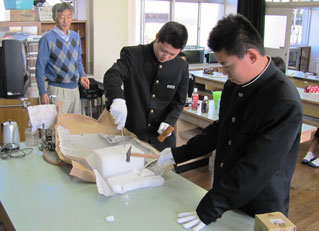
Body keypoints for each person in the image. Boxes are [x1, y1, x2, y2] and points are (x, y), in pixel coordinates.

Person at [158, 14, 303, 230]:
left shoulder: (283, 101)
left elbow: (256, 168)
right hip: (226, 197)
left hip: (259, 207)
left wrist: (210, 207)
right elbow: (220, 130)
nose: (224, 73)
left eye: (227, 66)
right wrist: (178, 154)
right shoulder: (235, 85)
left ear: (252, 56)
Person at [103, 21, 189, 151]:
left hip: (162, 139)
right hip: (133, 135)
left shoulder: (181, 66)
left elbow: (180, 101)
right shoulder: (133, 54)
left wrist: (170, 121)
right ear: (157, 37)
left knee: (166, 171)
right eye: (163, 50)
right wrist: (117, 98)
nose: (165, 57)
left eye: (172, 54)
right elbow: (113, 74)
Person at [36, 2, 90, 114]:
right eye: (62, 17)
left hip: (75, 89)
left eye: (69, 17)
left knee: (74, 127)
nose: (66, 21)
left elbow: (78, 61)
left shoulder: (75, 37)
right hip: (57, 90)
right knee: (57, 127)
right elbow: (40, 67)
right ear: (54, 18)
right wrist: (43, 92)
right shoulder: (47, 39)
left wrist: (82, 75)